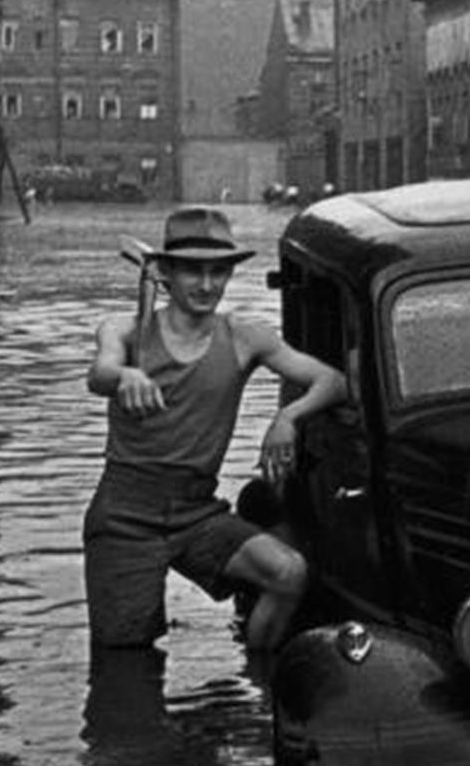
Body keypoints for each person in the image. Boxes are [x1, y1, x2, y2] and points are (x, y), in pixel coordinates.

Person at [84, 206, 347, 651]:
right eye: (192, 271)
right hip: (125, 517)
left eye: (218, 271)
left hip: (196, 512)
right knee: (127, 658)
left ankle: (257, 681)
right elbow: (99, 373)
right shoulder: (125, 330)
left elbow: (333, 381)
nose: (207, 285)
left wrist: (287, 417)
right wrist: (125, 377)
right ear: (165, 272)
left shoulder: (246, 337)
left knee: (288, 574)